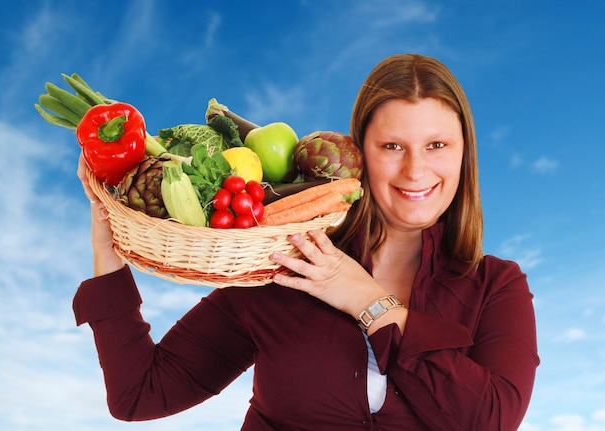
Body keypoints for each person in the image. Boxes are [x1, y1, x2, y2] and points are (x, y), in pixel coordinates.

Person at [74, 53, 539, 430]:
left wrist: (369, 302)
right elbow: (140, 393)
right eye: (392, 146)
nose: (415, 170)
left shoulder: (496, 287)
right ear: (361, 152)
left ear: (464, 153)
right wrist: (106, 249)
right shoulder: (283, 261)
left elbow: (491, 419)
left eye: (437, 146)